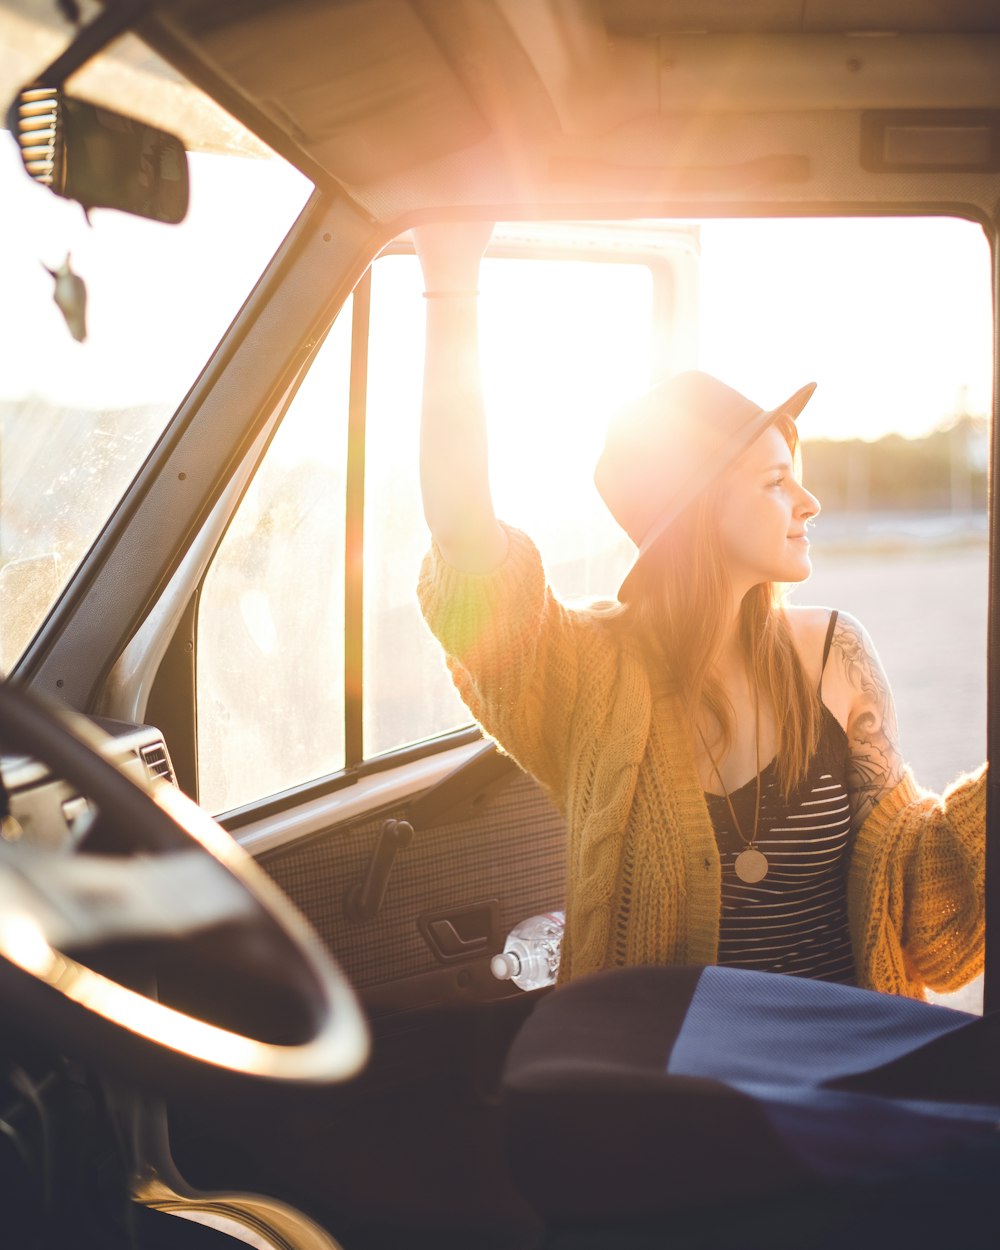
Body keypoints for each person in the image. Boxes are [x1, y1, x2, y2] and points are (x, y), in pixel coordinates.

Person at [414, 221, 986, 999]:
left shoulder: (835, 654)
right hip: (667, 1098)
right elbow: (464, 538)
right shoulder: (581, 675)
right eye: (774, 481)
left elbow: (927, 926)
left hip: (841, 1086)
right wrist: (450, 278)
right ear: (699, 513)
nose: (808, 501)